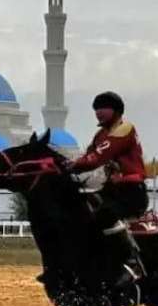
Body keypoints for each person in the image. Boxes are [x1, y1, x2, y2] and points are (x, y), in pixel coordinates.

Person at [64, 91, 149, 291]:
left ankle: (133, 263)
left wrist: (72, 166)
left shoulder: (124, 129)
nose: (98, 113)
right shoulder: (101, 134)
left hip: (130, 191)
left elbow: (96, 159)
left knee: (104, 215)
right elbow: (87, 155)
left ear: (116, 110)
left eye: (103, 108)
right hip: (112, 190)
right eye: (96, 109)